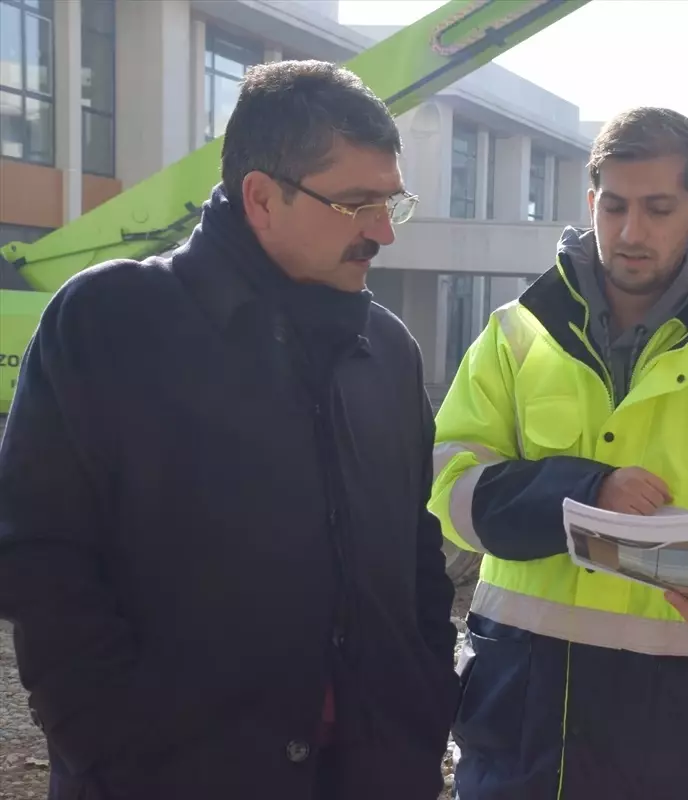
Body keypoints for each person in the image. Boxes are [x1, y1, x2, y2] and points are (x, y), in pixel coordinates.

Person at [0, 61, 459, 800]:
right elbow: (40, 557)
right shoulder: (109, 323)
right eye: (356, 204)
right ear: (262, 198)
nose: (382, 232)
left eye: (390, 203)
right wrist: (108, 745)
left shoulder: (388, 352)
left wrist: (423, 717)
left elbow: (415, 559)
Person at [430, 107, 688, 800]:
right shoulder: (513, 336)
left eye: (658, 209)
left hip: (669, 732)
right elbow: (451, 490)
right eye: (615, 207)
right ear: (592, 204)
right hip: (519, 722)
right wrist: (582, 491)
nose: (632, 232)